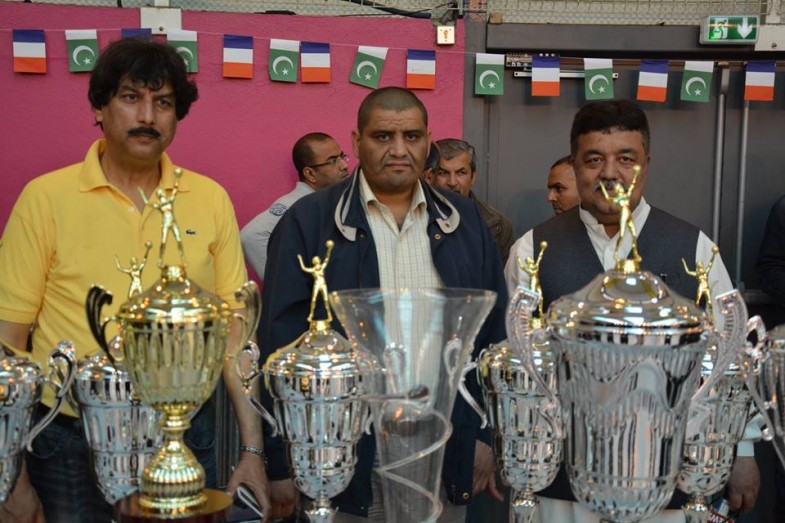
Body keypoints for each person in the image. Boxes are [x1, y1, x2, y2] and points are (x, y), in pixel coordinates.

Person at [0, 38, 270, 522]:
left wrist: (253, 450)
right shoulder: (46, 199)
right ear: (100, 108)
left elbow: (236, 336)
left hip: (188, 431)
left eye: (163, 102)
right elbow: (7, 343)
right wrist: (9, 476)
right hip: (67, 437)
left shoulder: (209, 199)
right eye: (131, 97)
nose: (148, 114)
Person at [257, 87, 508, 522]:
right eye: (382, 137)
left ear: (428, 142)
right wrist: (279, 459)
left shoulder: (465, 223)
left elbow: (493, 336)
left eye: (411, 137)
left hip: (443, 446)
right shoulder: (310, 221)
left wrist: (484, 434)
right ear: (356, 142)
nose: (398, 150)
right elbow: (280, 346)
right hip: (343, 450)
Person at [504, 100, 760, 522]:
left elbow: (731, 357)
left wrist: (744, 451)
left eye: (626, 159)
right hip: (560, 486)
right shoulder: (532, 250)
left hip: (669, 480)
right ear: (575, 165)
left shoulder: (695, 248)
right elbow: (514, 359)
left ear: (646, 164)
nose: (610, 173)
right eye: (594, 160)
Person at [241, 132, 349, 281]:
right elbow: (251, 236)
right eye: (332, 161)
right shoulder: (295, 205)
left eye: (341, 157)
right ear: (310, 174)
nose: (344, 165)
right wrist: (284, 285)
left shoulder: (329, 202)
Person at [428, 138, 515, 264]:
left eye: (461, 173)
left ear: (473, 177)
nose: (452, 182)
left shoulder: (498, 225)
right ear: (430, 177)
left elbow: (503, 280)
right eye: (443, 173)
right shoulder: (417, 216)